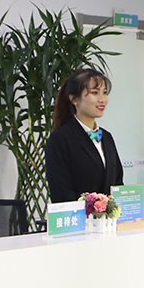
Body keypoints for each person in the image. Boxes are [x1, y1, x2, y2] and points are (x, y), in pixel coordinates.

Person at [44, 68, 124, 203]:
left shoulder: (107, 137)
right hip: (77, 215)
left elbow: (117, 183)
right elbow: (61, 192)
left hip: (108, 216)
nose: (102, 99)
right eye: (95, 93)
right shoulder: (60, 139)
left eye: (104, 93)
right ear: (74, 99)